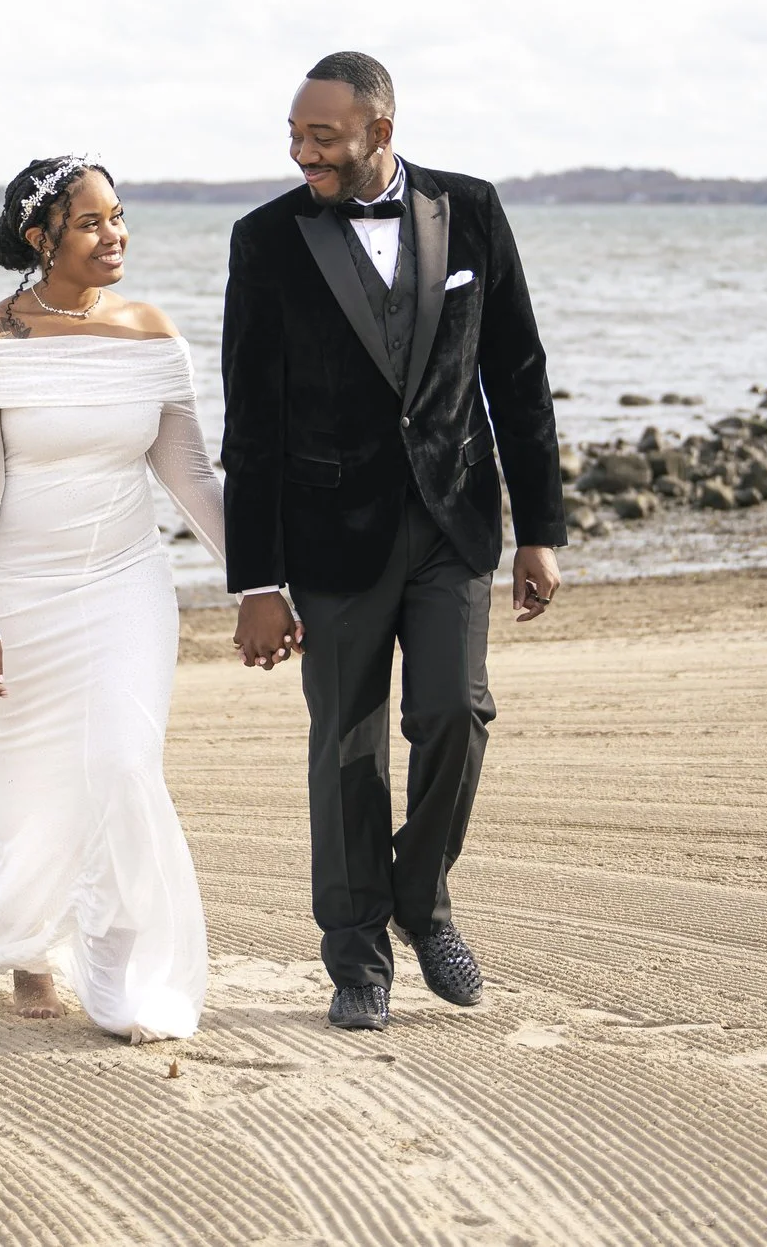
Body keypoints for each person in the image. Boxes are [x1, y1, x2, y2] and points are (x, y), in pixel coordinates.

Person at [220, 52, 565, 1032]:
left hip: (453, 518)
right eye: (293, 134)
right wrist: (256, 578)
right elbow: (250, 416)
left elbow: (518, 373)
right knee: (347, 752)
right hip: (328, 535)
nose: (301, 152)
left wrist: (540, 528)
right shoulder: (267, 240)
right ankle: (357, 954)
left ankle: (422, 892)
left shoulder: (472, 210)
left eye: (321, 136)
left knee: (456, 712)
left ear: (379, 128)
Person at [0, 156, 224, 1043]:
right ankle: (27, 948)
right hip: (20, 595)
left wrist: (258, 579)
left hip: (128, 583)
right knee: (25, 788)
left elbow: (189, 475)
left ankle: (116, 950)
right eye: (93, 221)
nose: (116, 235)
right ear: (40, 239)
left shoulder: (149, 333)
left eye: (120, 216)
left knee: (123, 761)